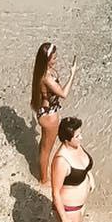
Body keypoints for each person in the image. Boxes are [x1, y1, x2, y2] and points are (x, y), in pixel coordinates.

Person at [30, 43, 76, 186]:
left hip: (44, 112)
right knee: (46, 150)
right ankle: (44, 179)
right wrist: (72, 74)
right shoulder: (46, 78)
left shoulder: (41, 71)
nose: (56, 60)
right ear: (46, 59)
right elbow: (63, 94)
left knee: (44, 145)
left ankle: (42, 171)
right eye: (53, 58)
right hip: (49, 116)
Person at [51, 117, 93, 222]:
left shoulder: (76, 146)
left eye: (80, 133)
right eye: (77, 136)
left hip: (80, 205)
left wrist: (90, 176)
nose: (81, 137)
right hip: (69, 210)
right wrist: (64, 218)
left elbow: (84, 164)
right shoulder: (61, 161)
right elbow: (55, 192)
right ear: (66, 140)